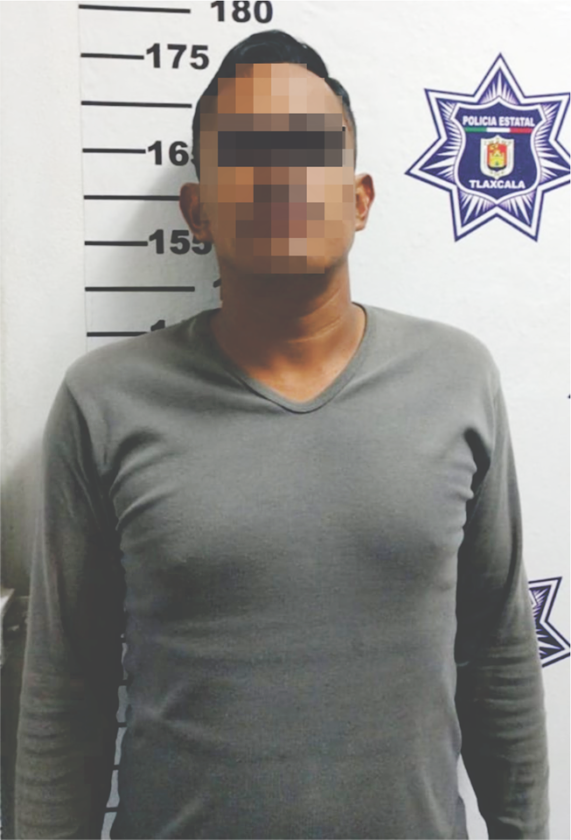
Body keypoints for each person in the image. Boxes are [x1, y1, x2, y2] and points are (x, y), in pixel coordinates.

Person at [15, 29, 549, 840]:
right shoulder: (104, 402)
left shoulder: (456, 380)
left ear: (359, 199)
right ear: (197, 208)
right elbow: (67, 688)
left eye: (309, 148)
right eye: (246, 151)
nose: (280, 174)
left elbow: (498, 655)